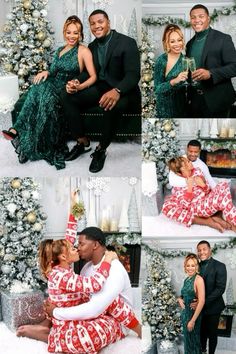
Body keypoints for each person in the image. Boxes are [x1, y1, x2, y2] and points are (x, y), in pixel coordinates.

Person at [2, 16, 97, 170]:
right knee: (35, 90)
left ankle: (19, 133)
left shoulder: (83, 50)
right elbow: (53, 71)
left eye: (75, 33)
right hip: (52, 82)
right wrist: (46, 71)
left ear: (80, 34)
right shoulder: (60, 50)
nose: (71, 36)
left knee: (44, 98)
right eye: (68, 32)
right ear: (64, 32)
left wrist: (79, 87)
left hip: (65, 88)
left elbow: (93, 76)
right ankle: (16, 130)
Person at [62, 9, 141, 173]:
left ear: (108, 23)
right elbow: (90, 73)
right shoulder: (92, 46)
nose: (96, 26)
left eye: (100, 22)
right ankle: (82, 141)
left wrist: (117, 90)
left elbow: (133, 75)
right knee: (67, 96)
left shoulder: (127, 42)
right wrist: (77, 81)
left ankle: (101, 149)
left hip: (124, 89)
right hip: (100, 86)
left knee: (111, 104)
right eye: (92, 23)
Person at [186, 4, 236, 117]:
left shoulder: (223, 39)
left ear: (208, 18)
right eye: (193, 17)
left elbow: (234, 67)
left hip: (218, 101)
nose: (196, 20)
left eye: (201, 16)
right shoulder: (189, 44)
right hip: (195, 102)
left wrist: (210, 73)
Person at [162, 156, 236, 232]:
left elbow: (207, 190)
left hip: (206, 200)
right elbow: (186, 206)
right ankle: (230, 222)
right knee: (222, 200)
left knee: (223, 185)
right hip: (197, 208)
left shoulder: (197, 171)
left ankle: (225, 218)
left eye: (188, 160)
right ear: (181, 170)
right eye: (187, 162)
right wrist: (189, 188)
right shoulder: (178, 186)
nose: (190, 162)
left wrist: (203, 185)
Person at [195, 241, 227, 354]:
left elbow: (220, 288)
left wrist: (202, 301)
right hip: (199, 308)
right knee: (201, 332)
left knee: (212, 333)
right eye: (199, 250)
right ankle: (203, 350)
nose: (201, 252)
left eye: (204, 249)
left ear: (210, 250)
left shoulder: (220, 266)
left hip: (213, 307)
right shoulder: (195, 266)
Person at [154, 24, 188, 118]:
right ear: (167, 43)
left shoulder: (186, 60)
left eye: (179, 40)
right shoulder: (162, 60)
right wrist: (174, 81)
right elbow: (157, 89)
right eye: (172, 41)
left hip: (181, 106)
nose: (177, 44)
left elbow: (189, 84)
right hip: (165, 109)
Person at [177, 253, 205, 354]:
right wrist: (179, 299)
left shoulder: (198, 280)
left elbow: (201, 301)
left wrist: (192, 321)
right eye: (188, 265)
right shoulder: (186, 280)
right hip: (185, 315)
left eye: (193, 265)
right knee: (188, 343)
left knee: (194, 342)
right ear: (185, 267)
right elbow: (182, 296)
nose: (190, 268)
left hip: (193, 316)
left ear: (196, 266)